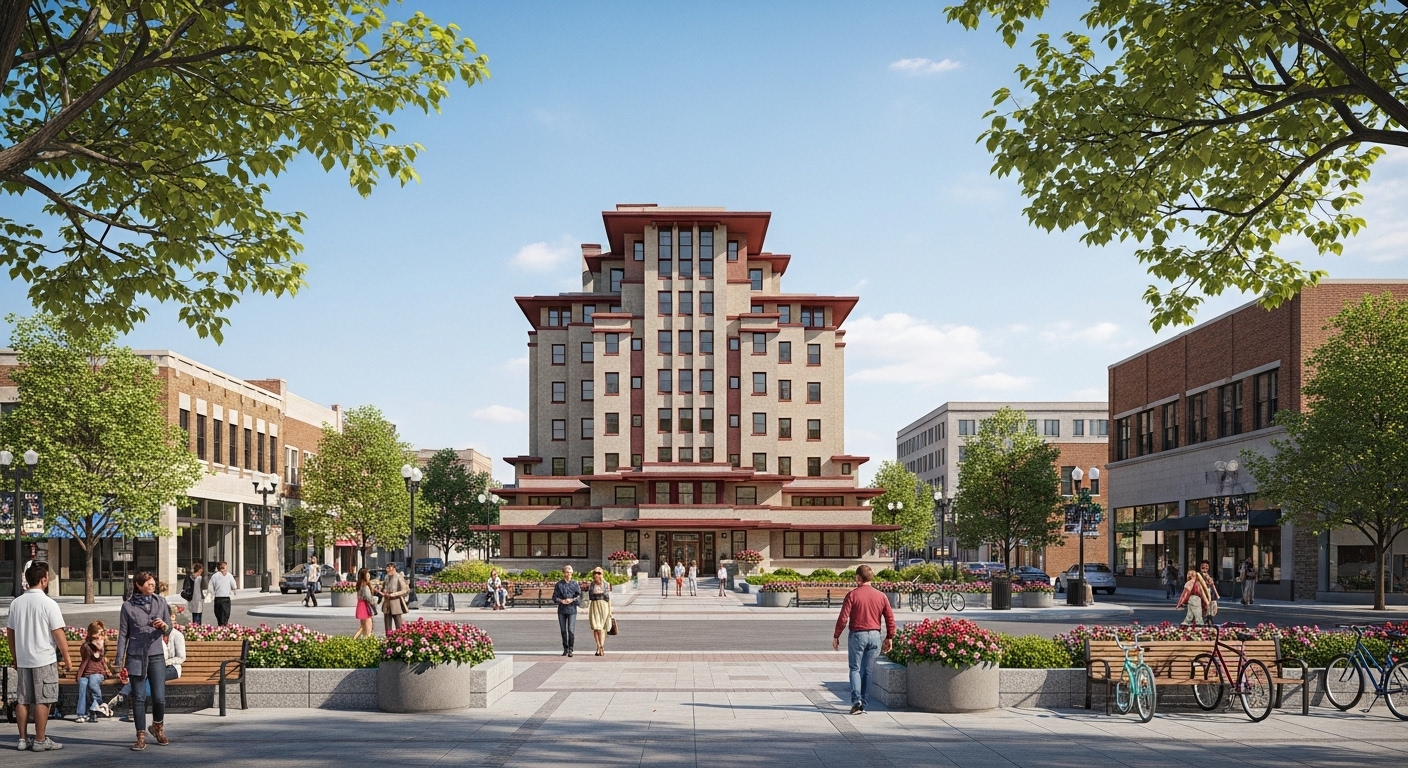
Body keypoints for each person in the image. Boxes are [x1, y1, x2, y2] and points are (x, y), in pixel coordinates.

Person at [6, 564, 71, 751]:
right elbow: (58, 632)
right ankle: (40, 740)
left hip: (24, 658)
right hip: (44, 659)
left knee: (23, 699)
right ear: (43, 580)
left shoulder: (16, 603)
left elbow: (10, 632)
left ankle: (22, 739)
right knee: (44, 699)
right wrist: (67, 657)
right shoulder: (49, 604)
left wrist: (15, 656)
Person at [116, 571, 173, 750]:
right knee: (138, 697)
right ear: (139, 585)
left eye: (153, 583)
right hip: (135, 656)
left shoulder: (161, 602)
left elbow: (169, 628)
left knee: (159, 697)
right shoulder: (128, 606)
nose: (152, 585)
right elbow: (123, 635)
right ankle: (140, 735)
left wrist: (164, 626)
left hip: (156, 655)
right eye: (148, 583)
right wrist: (119, 661)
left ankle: (158, 727)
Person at [831, 565, 895, 715]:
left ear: (858, 578)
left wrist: (836, 635)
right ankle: (863, 704)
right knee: (868, 670)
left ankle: (856, 700)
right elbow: (890, 618)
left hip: (857, 635)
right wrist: (889, 637)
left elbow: (843, 618)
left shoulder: (852, 595)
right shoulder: (881, 596)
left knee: (855, 669)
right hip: (875, 635)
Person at [74, 620, 112, 723]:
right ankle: (82, 714)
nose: (99, 635)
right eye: (97, 632)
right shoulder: (86, 646)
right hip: (86, 673)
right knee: (83, 683)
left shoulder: (103, 644)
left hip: (99, 673)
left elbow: (98, 657)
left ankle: (99, 704)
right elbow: (85, 659)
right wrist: (79, 676)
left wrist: (100, 647)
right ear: (91, 633)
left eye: (101, 633)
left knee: (93, 679)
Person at [553, 565, 582, 657]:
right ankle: (565, 648)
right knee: (563, 630)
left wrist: (572, 600)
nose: (569, 574)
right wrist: (561, 600)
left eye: (570, 572)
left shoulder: (575, 584)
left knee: (570, 629)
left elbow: (579, 596)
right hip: (562, 609)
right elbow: (554, 597)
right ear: (564, 573)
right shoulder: (559, 584)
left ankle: (570, 649)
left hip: (572, 609)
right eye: (567, 572)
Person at [587, 567, 613, 656]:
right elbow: (590, 597)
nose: (597, 575)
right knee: (596, 627)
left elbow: (608, 598)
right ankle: (598, 645)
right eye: (595, 573)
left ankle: (601, 646)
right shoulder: (592, 585)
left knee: (602, 628)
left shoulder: (606, 584)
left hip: (604, 605)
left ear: (602, 574)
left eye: (599, 573)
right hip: (594, 605)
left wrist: (610, 611)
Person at [379, 562, 409, 633]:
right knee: (387, 623)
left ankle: (399, 636)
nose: (389, 571)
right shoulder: (386, 577)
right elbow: (384, 587)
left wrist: (393, 594)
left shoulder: (398, 577)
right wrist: (384, 591)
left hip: (396, 601)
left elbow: (404, 590)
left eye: (390, 569)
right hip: (387, 601)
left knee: (398, 623)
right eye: (387, 569)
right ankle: (388, 637)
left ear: (394, 569)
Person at [208, 561, 237, 626]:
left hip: (218, 598)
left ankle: (220, 626)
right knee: (225, 615)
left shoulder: (214, 576)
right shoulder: (229, 575)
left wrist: (212, 594)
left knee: (219, 615)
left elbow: (211, 588)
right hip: (226, 598)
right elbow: (234, 586)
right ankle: (224, 626)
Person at [353, 569, 377, 639]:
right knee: (368, 628)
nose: (369, 577)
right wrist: (376, 600)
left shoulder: (359, 585)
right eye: (368, 575)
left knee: (362, 627)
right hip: (365, 607)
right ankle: (367, 641)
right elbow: (369, 598)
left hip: (360, 606)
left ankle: (354, 639)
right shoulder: (365, 587)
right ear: (364, 576)